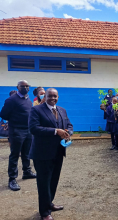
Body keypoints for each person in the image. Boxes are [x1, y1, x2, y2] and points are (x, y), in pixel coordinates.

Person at [28, 88, 73, 220]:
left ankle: (49, 203)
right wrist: (55, 131)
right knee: (43, 182)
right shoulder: (36, 110)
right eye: (50, 96)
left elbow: (69, 125)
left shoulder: (62, 110)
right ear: (44, 96)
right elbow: (34, 128)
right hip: (42, 154)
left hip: (58, 152)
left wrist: (68, 133)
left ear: (58, 97)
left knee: (53, 180)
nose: (53, 98)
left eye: (55, 96)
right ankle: (45, 212)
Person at [0, 80, 36, 191]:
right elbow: (3, 114)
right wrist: (15, 121)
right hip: (16, 130)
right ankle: (12, 179)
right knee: (15, 154)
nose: (25, 87)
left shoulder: (28, 99)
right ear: (18, 87)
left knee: (26, 153)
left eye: (27, 86)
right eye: (23, 86)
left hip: (28, 130)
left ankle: (27, 171)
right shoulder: (11, 100)